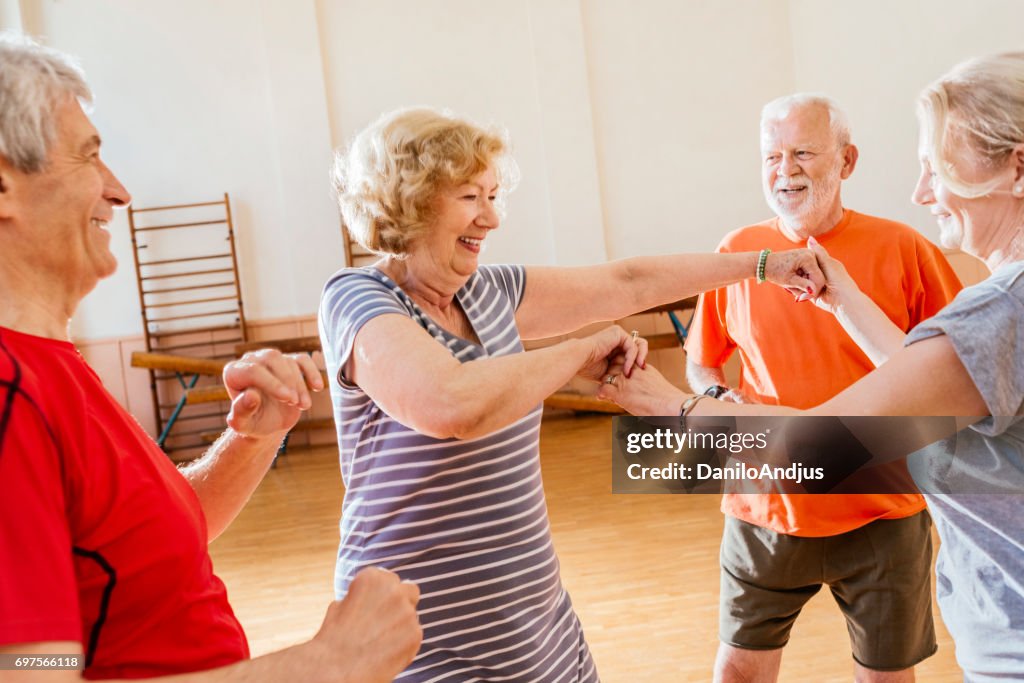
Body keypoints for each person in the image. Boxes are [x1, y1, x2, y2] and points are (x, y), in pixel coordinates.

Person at [320, 106, 826, 682]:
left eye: (492, 196)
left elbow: (626, 282)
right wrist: (576, 354)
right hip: (417, 635)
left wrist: (764, 265)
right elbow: (452, 404)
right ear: (409, 200)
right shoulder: (358, 299)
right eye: (469, 197)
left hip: (532, 622)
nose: (490, 217)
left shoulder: (491, 290)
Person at [0, 34, 421, 682]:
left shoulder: (47, 365)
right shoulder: (10, 395)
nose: (119, 191)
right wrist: (329, 663)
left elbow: (141, 543)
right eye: (91, 157)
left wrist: (249, 441)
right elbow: (36, 675)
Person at [601, 51, 1024, 683]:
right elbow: (936, 374)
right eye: (772, 157)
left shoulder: (998, 310)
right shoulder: (1003, 307)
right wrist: (843, 296)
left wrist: (654, 403)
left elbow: (821, 445)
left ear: (1017, 168)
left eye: (938, 168)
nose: (921, 192)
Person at [681, 93, 962, 682]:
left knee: (885, 677)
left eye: (804, 152)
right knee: (737, 673)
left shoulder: (905, 249)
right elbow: (703, 366)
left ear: (847, 160)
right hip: (765, 505)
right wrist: (713, 400)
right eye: (772, 156)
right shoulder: (736, 254)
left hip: (882, 509)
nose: (786, 171)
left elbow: (951, 376)